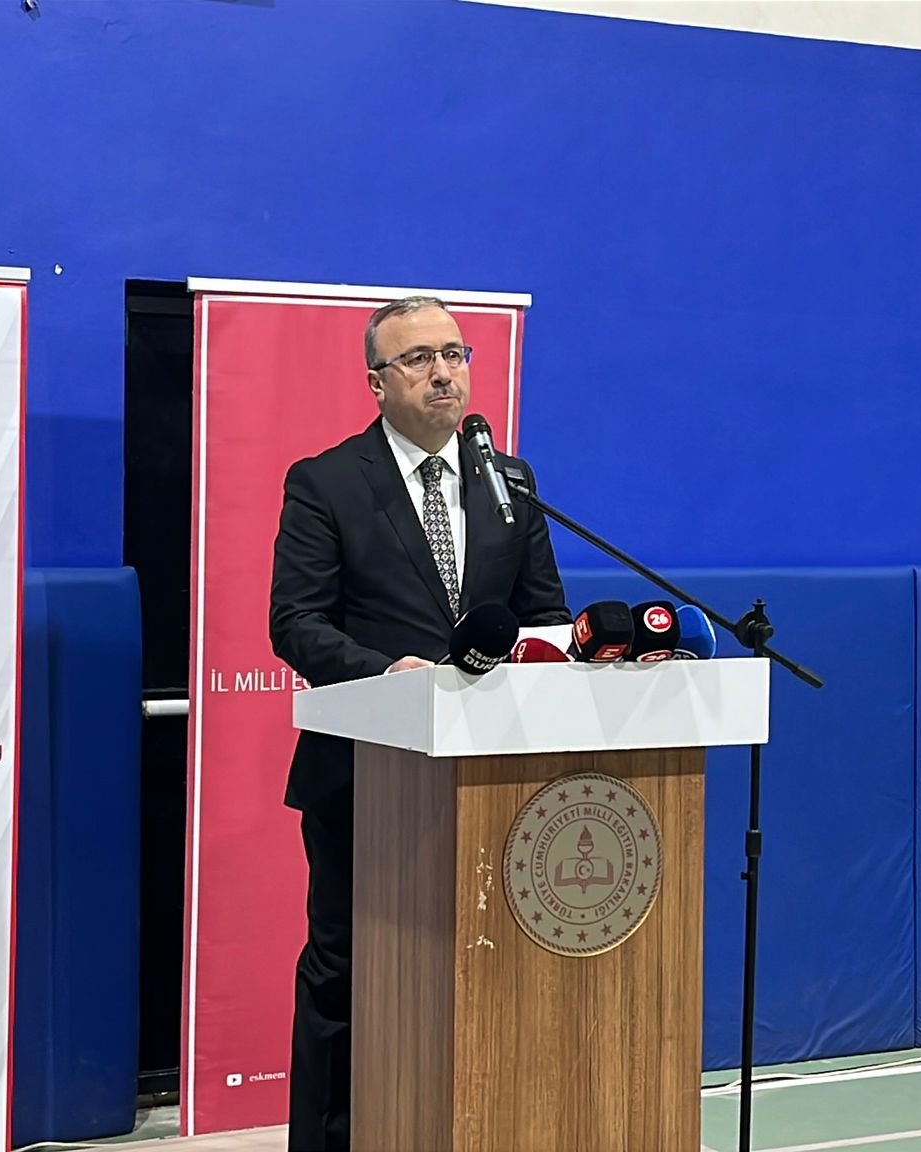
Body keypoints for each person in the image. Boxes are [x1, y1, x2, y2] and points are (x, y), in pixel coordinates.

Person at [268, 295, 570, 1151]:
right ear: (376, 383)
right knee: (349, 968)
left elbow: (546, 615)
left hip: (492, 771)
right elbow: (295, 622)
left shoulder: (508, 482)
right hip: (365, 769)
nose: (443, 373)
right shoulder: (326, 481)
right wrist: (387, 672)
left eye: (454, 353)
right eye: (418, 359)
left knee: (481, 963)